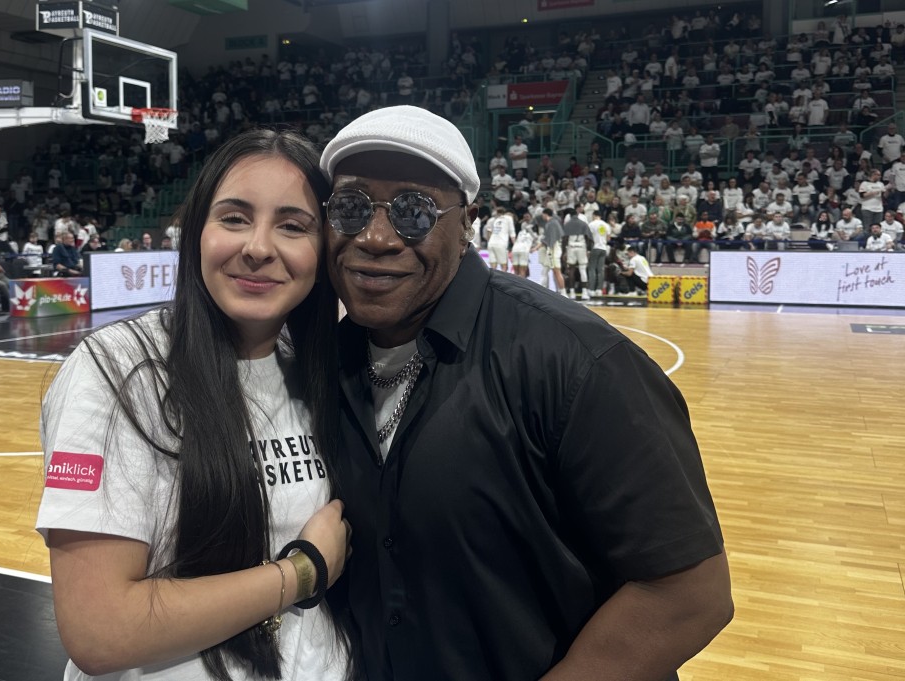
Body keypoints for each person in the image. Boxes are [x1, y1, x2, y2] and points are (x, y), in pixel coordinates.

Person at [318, 106, 732, 681]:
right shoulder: (321, 362)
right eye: (351, 207)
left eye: (414, 211)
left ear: (468, 223)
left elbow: (690, 593)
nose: (376, 237)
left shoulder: (576, 359)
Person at [36, 130, 352, 680]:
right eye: (234, 218)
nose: (258, 247)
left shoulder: (320, 370)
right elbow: (100, 630)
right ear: (197, 234)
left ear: (323, 248)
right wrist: (304, 570)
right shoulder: (118, 370)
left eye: (292, 226)